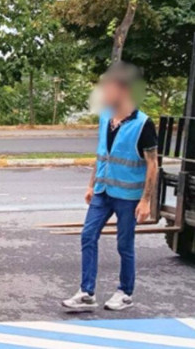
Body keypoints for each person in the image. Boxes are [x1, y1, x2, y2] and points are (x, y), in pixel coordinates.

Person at [63, 62, 158, 312]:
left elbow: (152, 165)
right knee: (88, 235)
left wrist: (146, 200)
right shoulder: (106, 116)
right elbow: (102, 154)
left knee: (124, 244)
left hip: (128, 196)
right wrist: (91, 184)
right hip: (102, 191)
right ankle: (87, 292)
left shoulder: (143, 124)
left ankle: (125, 292)